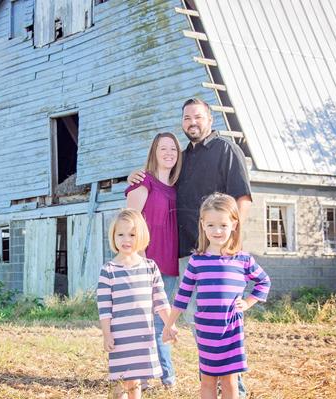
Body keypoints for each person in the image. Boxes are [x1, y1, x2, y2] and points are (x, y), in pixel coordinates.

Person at [128, 98, 252, 397]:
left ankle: (236, 386)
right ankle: (208, 382)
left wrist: (230, 243)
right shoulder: (182, 158)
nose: (192, 122)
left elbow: (243, 200)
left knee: (222, 319)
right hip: (185, 254)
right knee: (199, 322)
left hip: (218, 254)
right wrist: (136, 177)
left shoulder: (226, 150)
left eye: (197, 117)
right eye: (186, 118)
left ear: (210, 119)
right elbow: (159, 182)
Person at [164, 193, 270, 399]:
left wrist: (248, 303)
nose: (217, 230)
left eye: (223, 225)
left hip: (231, 328)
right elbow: (183, 294)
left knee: (230, 381)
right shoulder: (197, 261)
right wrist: (170, 324)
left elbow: (264, 281)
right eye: (211, 225)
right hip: (206, 329)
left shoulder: (243, 259)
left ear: (234, 224)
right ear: (202, 225)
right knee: (208, 380)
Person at [96, 209, 179, 399]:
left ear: (141, 236)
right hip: (120, 337)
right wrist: (107, 334)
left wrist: (169, 324)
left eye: (132, 234)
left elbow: (160, 301)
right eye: (121, 234)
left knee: (135, 382)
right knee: (119, 382)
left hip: (142, 335)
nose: (126, 239)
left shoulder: (150, 267)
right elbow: (104, 309)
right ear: (113, 236)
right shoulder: (108, 270)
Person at [124, 132, 182, 388]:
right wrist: (140, 262)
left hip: (168, 264)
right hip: (145, 263)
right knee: (143, 321)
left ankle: (160, 375)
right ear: (154, 153)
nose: (169, 153)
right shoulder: (143, 181)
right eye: (163, 148)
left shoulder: (178, 187)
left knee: (161, 321)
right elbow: (130, 223)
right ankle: (157, 376)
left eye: (173, 149)